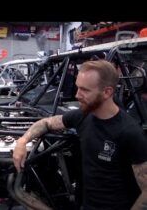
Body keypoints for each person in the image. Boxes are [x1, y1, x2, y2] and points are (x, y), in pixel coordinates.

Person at [13, 60, 147, 210]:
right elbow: (46, 123)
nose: (77, 95)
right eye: (78, 88)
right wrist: (22, 141)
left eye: (85, 90)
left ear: (107, 92)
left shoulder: (129, 132)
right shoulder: (83, 116)